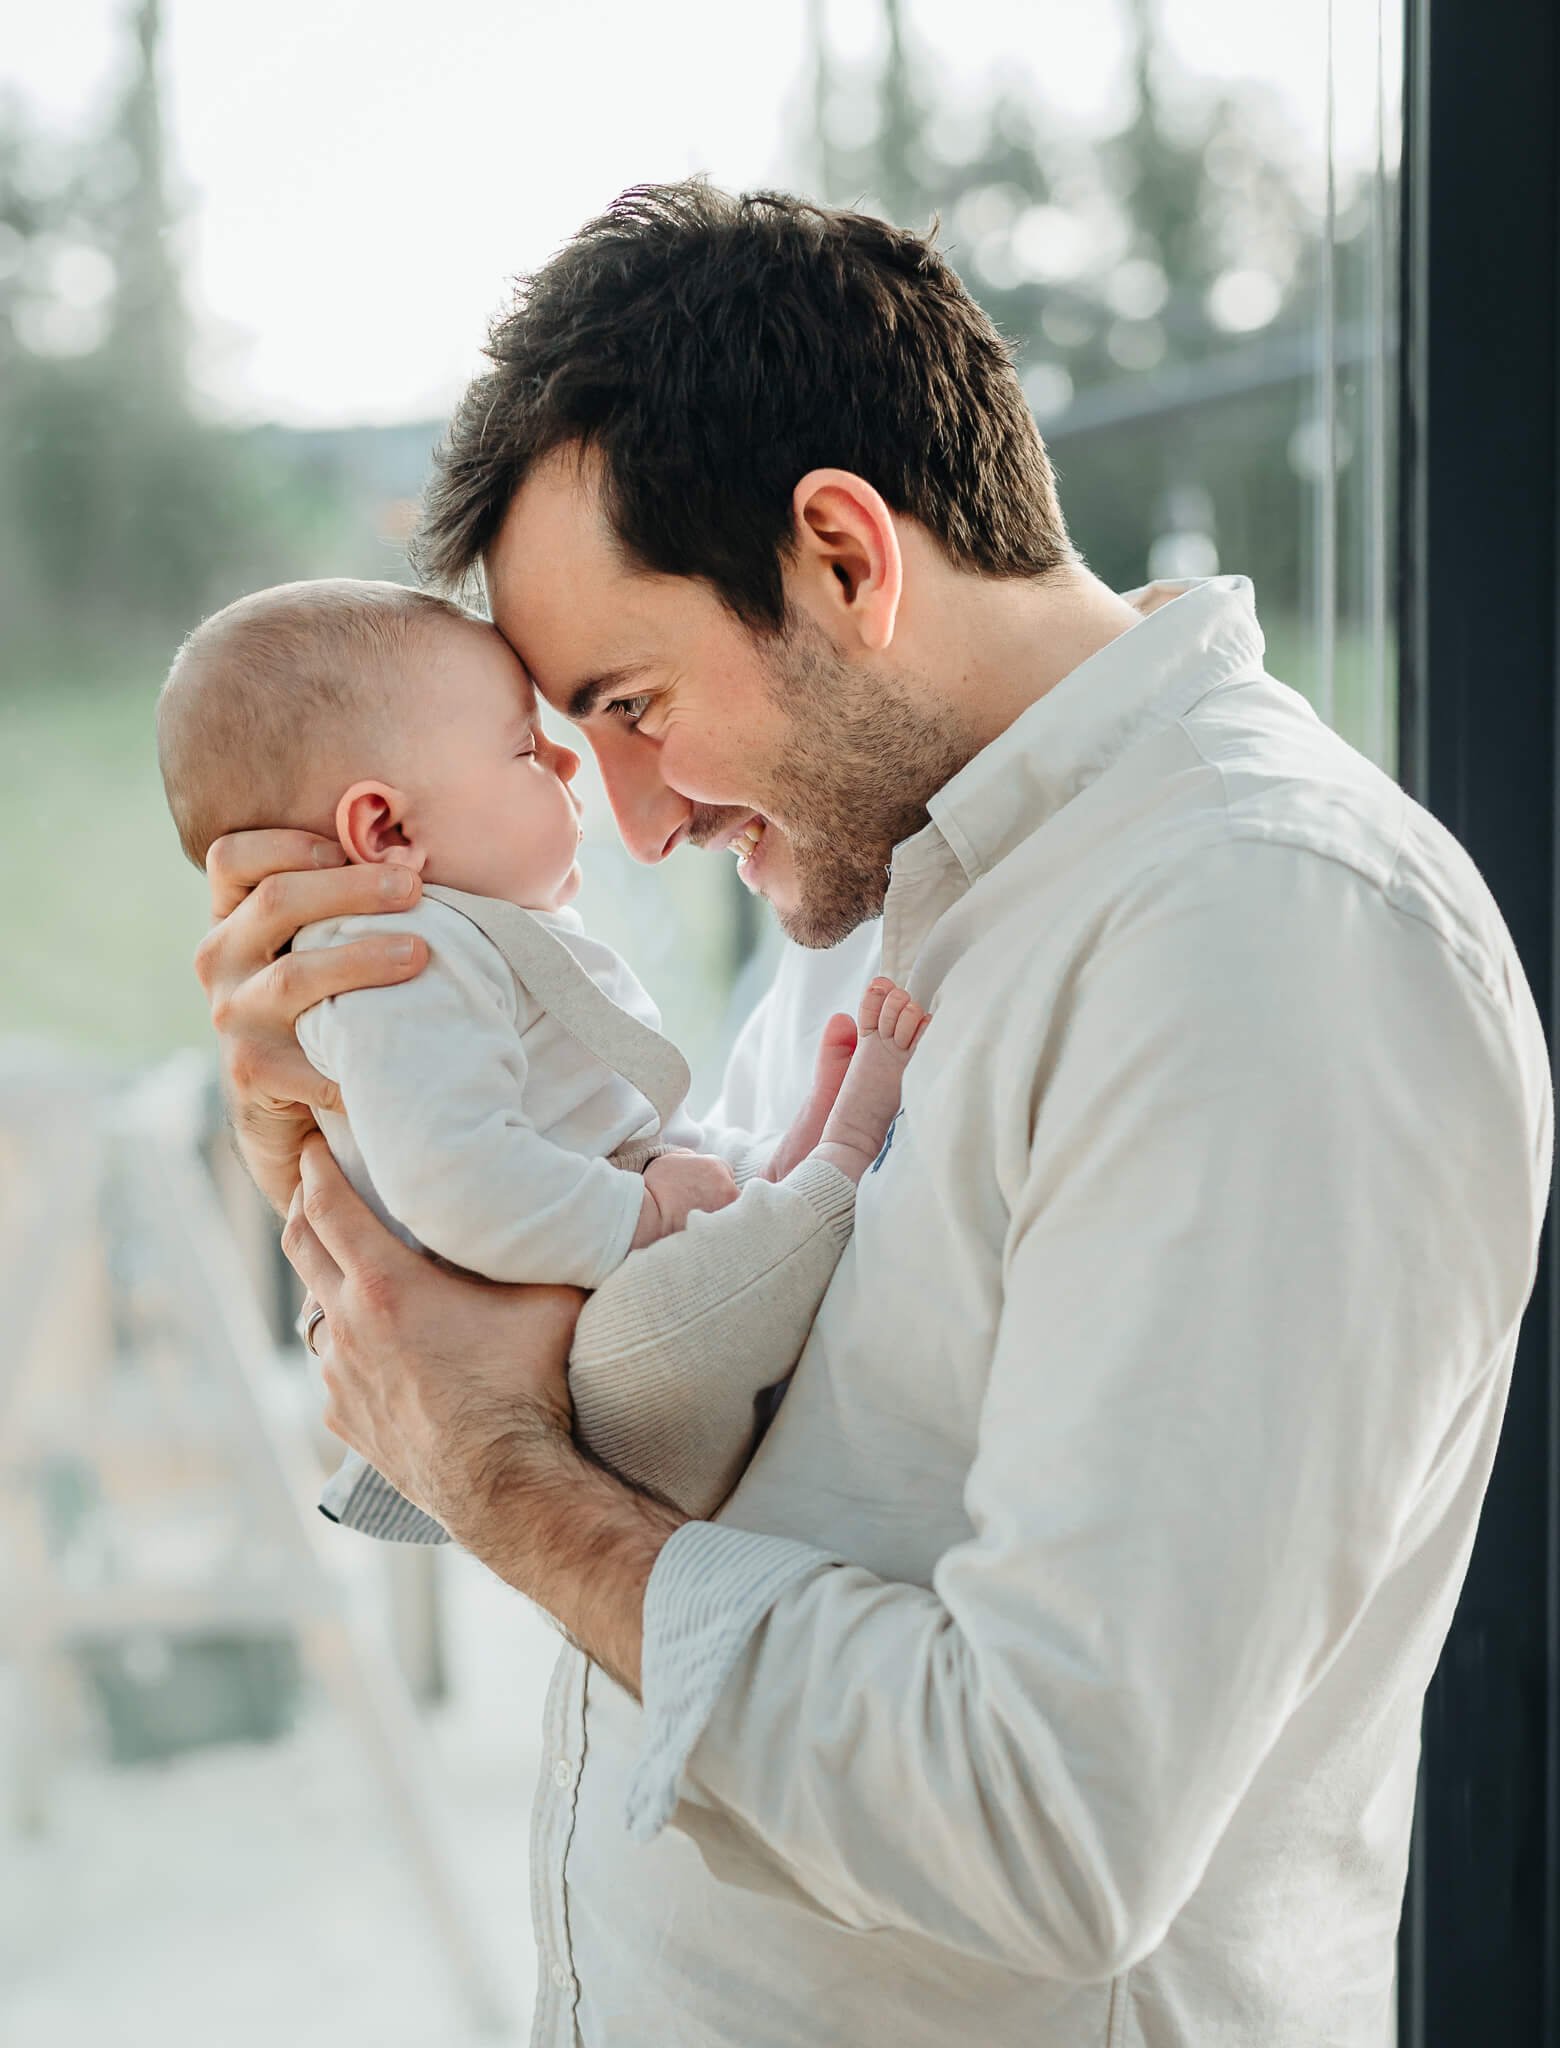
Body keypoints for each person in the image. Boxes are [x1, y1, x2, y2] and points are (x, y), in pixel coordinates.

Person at [195, 183, 1551, 2047]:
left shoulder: (1268, 947)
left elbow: (1044, 1823)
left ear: (841, 551)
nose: (641, 819)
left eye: (636, 701)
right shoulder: (878, 880)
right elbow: (682, 1438)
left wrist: (491, 1476)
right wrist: (361, 1167)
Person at [157, 575, 927, 1531]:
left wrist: (663, 1191)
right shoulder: (395, 963)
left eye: (635, 705)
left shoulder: (441, 943)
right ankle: (837, 1163)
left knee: (717, 1185)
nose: (570, 771)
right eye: (528, 749)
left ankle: (786, 1169)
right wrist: (642, 1213)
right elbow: (459, 1181)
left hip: (584, 1243)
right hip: (590, 1338)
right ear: (386, 829)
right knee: (709, 1273)